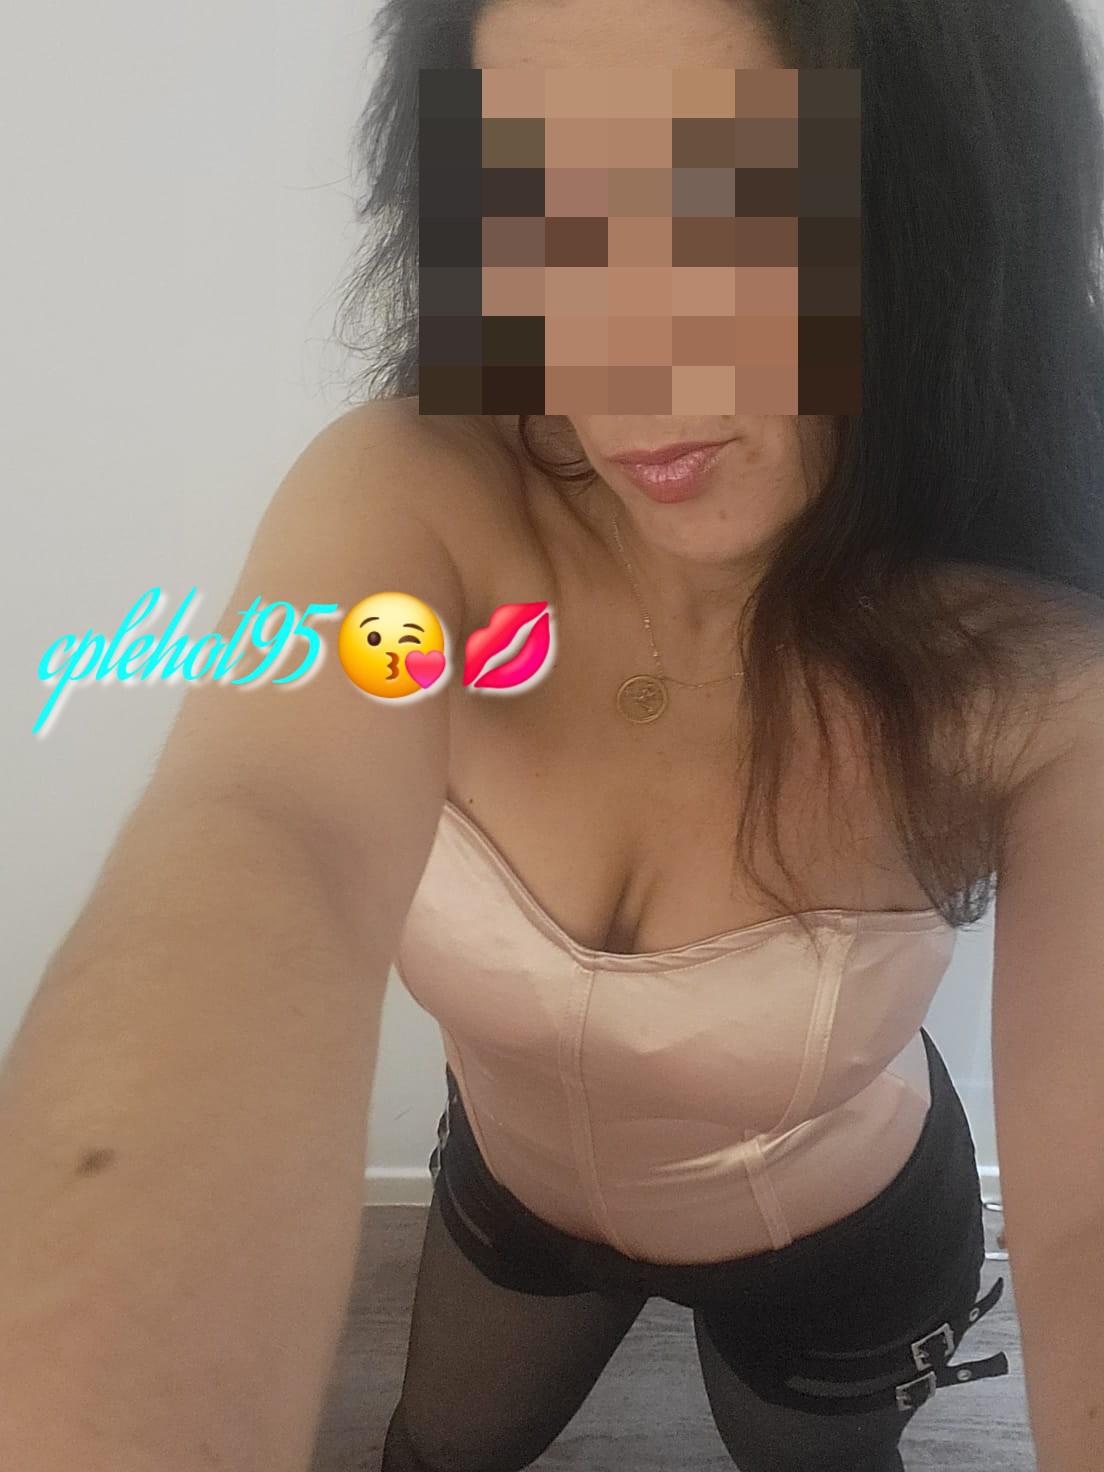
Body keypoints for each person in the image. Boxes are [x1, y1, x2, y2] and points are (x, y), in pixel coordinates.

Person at [3, 1, 1104, 1471]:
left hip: (842, 1246)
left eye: (724, 216)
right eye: (532, 219)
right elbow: (263, 831)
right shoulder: (418, 502)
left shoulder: (1041, 675)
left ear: (935, 220)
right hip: (506, 1196)